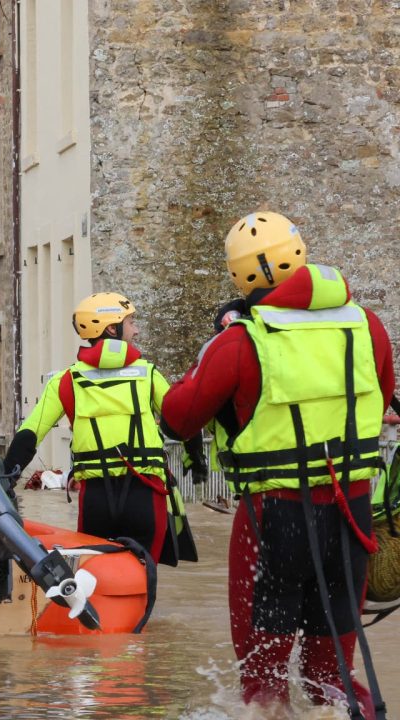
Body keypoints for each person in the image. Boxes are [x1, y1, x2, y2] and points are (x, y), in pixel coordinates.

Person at [159, 211, 394, 718]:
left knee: (263, 681)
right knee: (332, 677)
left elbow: (178, 418)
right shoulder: (367, 326)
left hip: (274, 520)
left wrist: (208, 355)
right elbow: (383, 394)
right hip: (352, 515)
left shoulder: (241, 342)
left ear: (239, 275)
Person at [1, 292, 203, 566]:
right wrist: (196, 459)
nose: (137, 329)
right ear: (112, 328)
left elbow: (30, 434)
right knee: (143, 579)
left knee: (94, 579)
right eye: (131, 322)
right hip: (145, 494)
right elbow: (183, 418)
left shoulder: (66, 380)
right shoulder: (148, 374)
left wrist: (4, 482)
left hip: (96, 499)